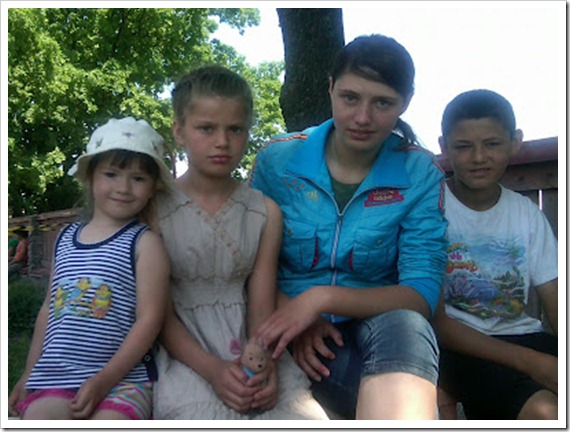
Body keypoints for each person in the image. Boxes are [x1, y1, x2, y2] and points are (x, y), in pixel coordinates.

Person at [248, 34, 448, 420]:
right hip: (284, 325)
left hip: (380, 326)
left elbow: (420, 293)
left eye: (383, 103)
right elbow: (245, 260)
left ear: (406, 101)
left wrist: (320, 299)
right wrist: (294, 314)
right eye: (350, 97)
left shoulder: (420, 172)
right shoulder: (277, 161)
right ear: (330, 88)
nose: (362, 117)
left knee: (408, 326)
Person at [152, 65, 328, 420]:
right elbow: (159, 313)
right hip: (185, 354)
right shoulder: (154, 209)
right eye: (206, 128)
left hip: (250, 344)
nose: (222, 141)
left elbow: (261, 302)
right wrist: (213, 371)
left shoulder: (264, 212)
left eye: (235, 129)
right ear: (179, 131)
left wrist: (263, 361)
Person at [8, 117, 171, 420]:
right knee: (39, 418)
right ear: (90, 177)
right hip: (58, 375)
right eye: (111, 174)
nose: (123, 187)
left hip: (124, 379)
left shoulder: (145, 243)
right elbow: (48, 310)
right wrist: (28, 374)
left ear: (152, 188)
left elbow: (150, 320)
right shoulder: (65, 238)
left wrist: (103, 380)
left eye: (138, 178)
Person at [431, 89, 558, 420]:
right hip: (459, 350)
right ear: (444, 147)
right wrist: (535, 364)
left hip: (525, 337)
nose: (478, 157)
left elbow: (556, 301)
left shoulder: (526, 215)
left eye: (492, 144)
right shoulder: (431, 211)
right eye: (463, 146)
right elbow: (438, 322)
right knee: (547, 412)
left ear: (515, 142)